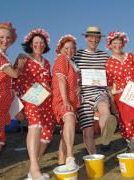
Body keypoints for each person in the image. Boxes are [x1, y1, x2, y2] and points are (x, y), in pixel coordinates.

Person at [12, 28, 56, 180]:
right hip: (30, 99)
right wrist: (17, 108)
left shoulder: (47, 62)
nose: (39, 45)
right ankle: (36, 169)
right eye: (36, 42)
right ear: (30, 44)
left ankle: (33, 169)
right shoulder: (23, 59)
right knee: (35, 125)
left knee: (47, 135)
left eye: (42, 43)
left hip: (46, 100)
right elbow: (14, 83)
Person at [0, 22, 25, 180]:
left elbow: (10, 82)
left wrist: (17, 109)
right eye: (1, 37)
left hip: (2, 106)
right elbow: (14, 74)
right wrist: (20, 65)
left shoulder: (3, 56)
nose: (5, 40)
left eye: (8, 37)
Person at [74, 26, 118, 154]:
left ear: (99, 39)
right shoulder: (77, 55)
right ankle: (93, 157)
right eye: (91, 37)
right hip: (83, 95)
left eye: (97, 38)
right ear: (86, 38)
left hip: (100, 91)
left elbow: (110, 74)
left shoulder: (104, 55)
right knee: (88, 130)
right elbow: (69, 69)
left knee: (104, 108)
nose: (94, 40)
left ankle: (106, 135)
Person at [105, 31, 134, 152]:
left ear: (123, 43)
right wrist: (112, 104)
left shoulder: (131, 56)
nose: (117, 45)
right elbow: (108, 86)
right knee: (127, 123)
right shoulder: (108, 63)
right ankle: (131, 145)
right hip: (122, 97)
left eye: (120, 42)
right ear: (110, 45)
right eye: (115, 43)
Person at [52, 35, 80, 170]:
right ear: (61, 49)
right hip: (62, 99)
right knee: (69, 119)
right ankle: (70, 156)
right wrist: (66, 100)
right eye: (66, 48)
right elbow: (61, 80)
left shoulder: (71, 62)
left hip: (71, 100)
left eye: (72, 48)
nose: (69, 50)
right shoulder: (61, 59)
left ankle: (61, 160)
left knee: (66, 129)